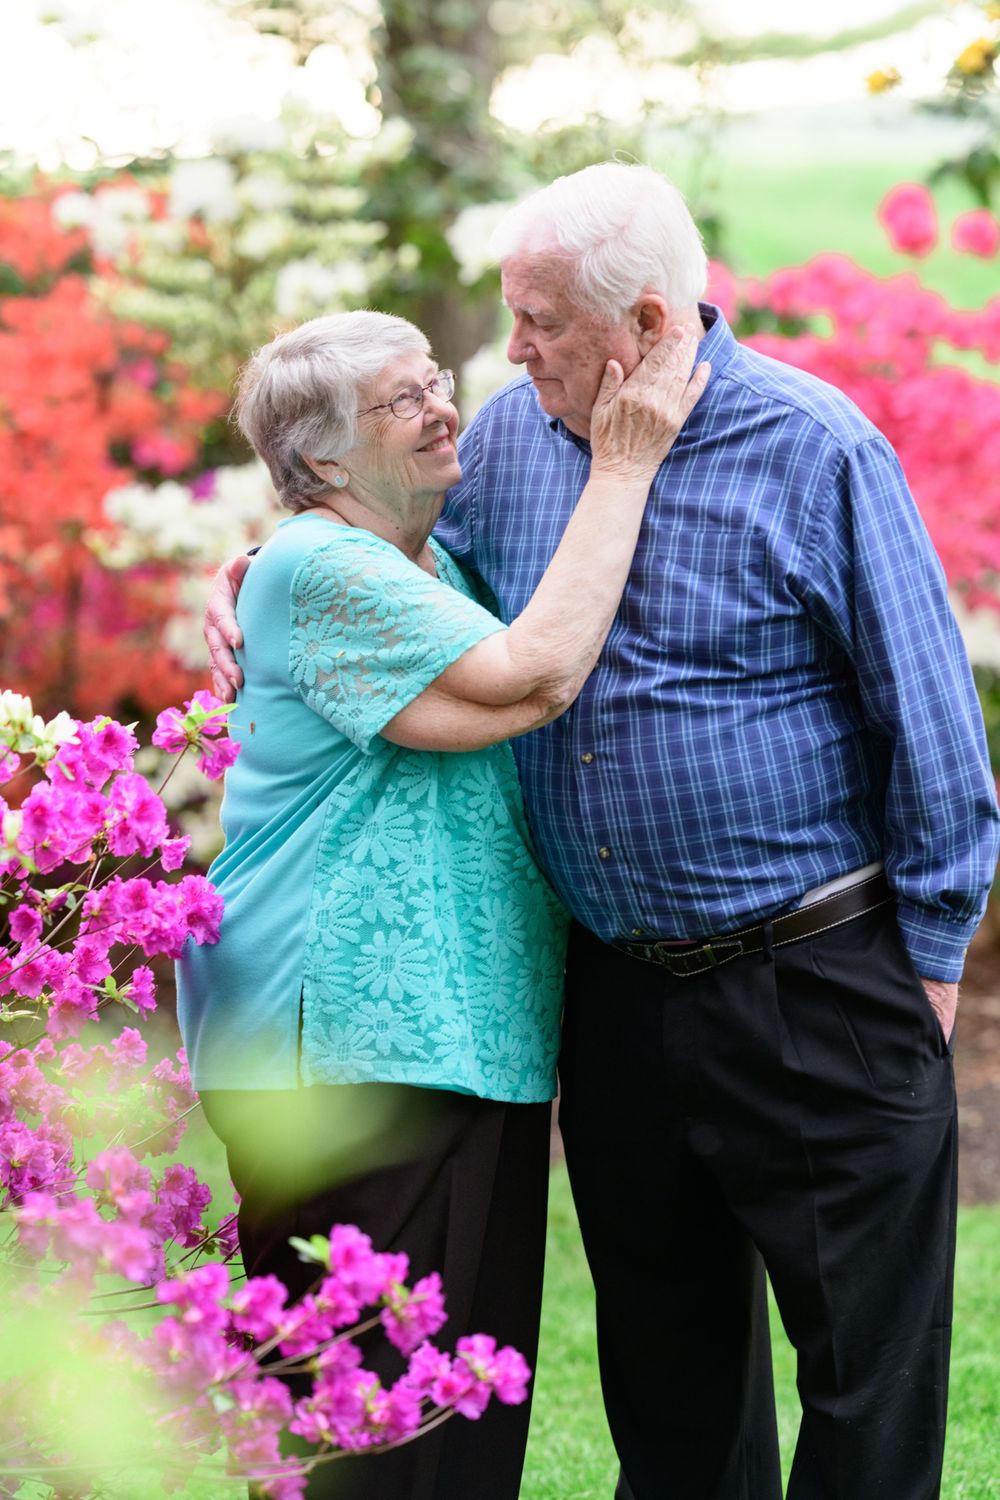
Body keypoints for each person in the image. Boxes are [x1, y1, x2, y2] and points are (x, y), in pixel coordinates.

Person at [206, 165, 1000, 1500]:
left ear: (640, 322)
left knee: (869, 1381)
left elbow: (937, 738)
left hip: (817, 976)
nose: (507, 356)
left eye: (541, 323)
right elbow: (350, 543)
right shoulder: (510, 445)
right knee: (669, 1391)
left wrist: (917, 977)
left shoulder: (818, 449)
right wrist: (246, 573)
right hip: (619, 999)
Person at [180, 304, 707, 1500]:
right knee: (371, 1424)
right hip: (347, 1043)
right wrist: (625, 462)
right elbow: (534, 676)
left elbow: (488, 702)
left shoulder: (421, 564)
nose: (442, 408)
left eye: (435, 380)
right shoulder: (323, 564)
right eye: (402, 399)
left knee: (445, 1418)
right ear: (320, 460)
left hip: (448, 1031)